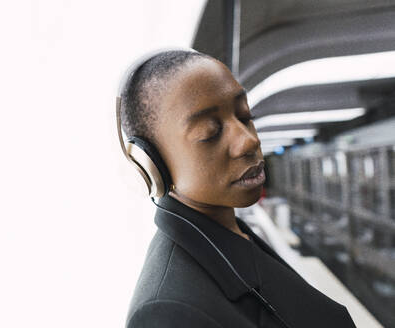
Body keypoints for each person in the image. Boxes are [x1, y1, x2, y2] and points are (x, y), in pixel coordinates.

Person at [117, 49, 357, 327]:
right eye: (210, 132)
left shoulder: (230, 231)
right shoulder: (167, 313)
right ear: (154, 165)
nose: (248, 141)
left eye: (244, 115)